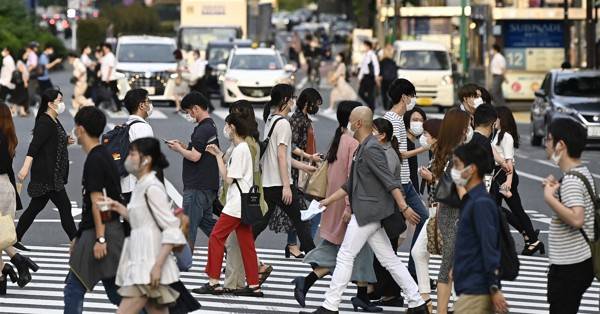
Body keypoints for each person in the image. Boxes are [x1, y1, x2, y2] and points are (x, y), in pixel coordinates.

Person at [301, 106, 427, 314]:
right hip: (371, 213)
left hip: (368, 213)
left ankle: (330, 306)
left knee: (345, 255)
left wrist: (404, 207)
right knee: (389, 260)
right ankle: (417, 302)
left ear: (358, 123)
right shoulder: (365, 146)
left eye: (351, 120)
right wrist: (328, 201)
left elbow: (389, 181)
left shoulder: (371, 149)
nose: (349, 123)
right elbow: (352, 183)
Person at [293, 101, 377, 311]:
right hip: (346, 205)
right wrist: (349, 207)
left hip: (334, 202)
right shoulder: (354, 144)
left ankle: (360, 295)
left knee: (354, 251)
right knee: (350, 251)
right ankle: (311, 282)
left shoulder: (339, 139)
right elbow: (352, 178)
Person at [105, 138, 188, 313]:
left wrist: (158, 266)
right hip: (142, 260)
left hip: (149, 264)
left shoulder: (152, 187)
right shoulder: (142, 185)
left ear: (146, 160)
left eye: (133, 153)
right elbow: (142, 220)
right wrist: (118, 207)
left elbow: (171, 229)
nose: (128, 157)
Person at [63, 106, 125, 312]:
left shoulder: (95, 159)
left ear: (80, 129)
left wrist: (100, 238)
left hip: (101, 232)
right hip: (105, 230)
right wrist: (79, 236)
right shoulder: (102, 155)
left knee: (74, 287)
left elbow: (98, 200)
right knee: (115, 291)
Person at [195, 113, 264, 297]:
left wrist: (218, 157)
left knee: (216, 237)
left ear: (232, 127)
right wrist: (219, 154)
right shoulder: (242, 148)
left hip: (236, 203)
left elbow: (227, 178)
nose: (225, 129)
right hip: (242, 202)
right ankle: (254, 285)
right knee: (247, 244)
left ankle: (214, 282)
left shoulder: (241, 149)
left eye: (226, 125)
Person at [418, 108, 471, 314]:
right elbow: (454, 188)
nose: (468, 130)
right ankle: (439, 309)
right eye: (466, 126)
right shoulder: (457, 155)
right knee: (448, 269)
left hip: (450, 214)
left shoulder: (454, 152)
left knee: (453, 268)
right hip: (454, 216)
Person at [253, 84, 316, 255]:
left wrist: (304, 166)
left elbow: (280, 155)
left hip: (268, 183)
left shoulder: (271, 120)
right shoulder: (283, 124)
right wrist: (287, 186)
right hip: (280, 184)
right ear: (286, 100)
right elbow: (281, 156)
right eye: (293, 98)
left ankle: (238, 251)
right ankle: (317, 264)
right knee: (301, 221)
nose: (295, 101)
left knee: (260, 223)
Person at [543, 118, 595, 314]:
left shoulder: (572, 180)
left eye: (549, 140)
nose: (546, 144)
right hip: (577, 263)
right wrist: (556, 191)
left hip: (571, 265)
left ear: (560, 145)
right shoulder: (580, 173)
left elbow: (576, 218)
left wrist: (549, 198)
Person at [15, 89, 77, 251]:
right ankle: (75, 241)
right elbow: (34, 146)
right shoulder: (45, 121)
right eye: (59, 100)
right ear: (50, 104)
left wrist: (66, 141)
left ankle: (15, 237)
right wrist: (25, 168)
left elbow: (52, 142)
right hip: (48, 175)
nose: (62, 103)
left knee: (35, 207)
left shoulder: (54, 120)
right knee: (65, 207)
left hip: (51, 173)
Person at [219, 101, 271, 292]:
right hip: (244, 198)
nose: (231, 123)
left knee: (224, 240)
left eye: (236, 116)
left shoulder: (246, 145)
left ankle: (226, 282)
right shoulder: (248, 142)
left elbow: (234, 176)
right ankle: (245, 282)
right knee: (240, 242)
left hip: (241, 199)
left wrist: (219, 158)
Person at [452, 142, 509, 314]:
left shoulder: (481, 203)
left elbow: (489, 246)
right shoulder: (473, 200)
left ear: (472, 169)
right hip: (470, 287)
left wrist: (493, 287)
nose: (453, 170)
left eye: (457, 165)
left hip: (477, 291)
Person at [384, 78, 430, 280]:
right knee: (395, 230)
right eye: (411, 96)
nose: (413, 100)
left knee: (422, 217)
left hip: (405, 182)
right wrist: (424, 149)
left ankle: (411, 267)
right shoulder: (393, 120)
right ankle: (395, 274)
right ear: (404, 97)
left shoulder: (396, 119)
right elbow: (398, 154)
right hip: (399, 183)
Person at [167, 91, 218, 253]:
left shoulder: (203, 129)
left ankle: (184, 260)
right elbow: (200, 151)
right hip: (208, 185)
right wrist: (183, 146)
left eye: (188, 111)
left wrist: (178, 150)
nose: (188, 115)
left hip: (197, 186)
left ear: (195, 109)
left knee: (188, 227)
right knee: (210, 226)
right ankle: (234, 252)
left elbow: (195, 156)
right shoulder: (211, 126)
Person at [492, 106, 543, 256]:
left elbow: (509, 161)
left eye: (496, 118)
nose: (494, 121)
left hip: (505, 176)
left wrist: (508, 181)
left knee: (516, 210)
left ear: (502, 119)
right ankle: (530, 237)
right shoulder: (498, 134)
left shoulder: (506, 136)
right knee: (498, 208)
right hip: (499, 175)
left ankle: (532, 239)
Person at [0, 102, 39, 294]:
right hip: (5, 186)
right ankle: (12, 266)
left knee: (0, 234)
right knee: (1, 233)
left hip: (0, 187)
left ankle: (13, 264)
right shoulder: (9, 138)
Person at [286, 88, 323, 258]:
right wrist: (309, 157)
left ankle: (299, 244)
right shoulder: (296, 120)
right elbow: (291, 146)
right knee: (301, 207)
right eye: (316, 104)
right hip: (297, 170)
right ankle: (296, 244)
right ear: (307, 103)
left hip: (306, 167)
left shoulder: (305, 119)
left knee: (310, 206)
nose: (317, 107)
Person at [411, 118, 442, 314]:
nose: (424, 138)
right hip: (434, 210)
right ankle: (425, 300)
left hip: (442, 212)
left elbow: (453, 186)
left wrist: (432, 178)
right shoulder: (437, 154)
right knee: (418, 252)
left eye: (427, 135)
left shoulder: (448, 156)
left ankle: (427, 300)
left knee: (449, 262)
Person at [121, 89, 155, 203]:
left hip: (124, 183)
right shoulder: (143, 128)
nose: (150, 104)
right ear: (141, 105)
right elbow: (146, 159)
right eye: (148, 101)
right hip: (136, 185)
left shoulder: (126, 125)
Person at [403, 107, 427, 193]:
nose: (419, 123)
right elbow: (402, 155)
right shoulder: (404, 142)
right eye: (415, 120)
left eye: (421, 120)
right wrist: (423, 148)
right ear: (407, 121)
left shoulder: (411, 143)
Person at [357, 40, 379, 111]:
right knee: (361, 92)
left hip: (370, 76)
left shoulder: (372, 55)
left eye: (365, 46)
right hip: (365, 76)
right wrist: (360, 77)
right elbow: (363, 67)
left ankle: (371, 107)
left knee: (370, 93)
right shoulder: (365, 55)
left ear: (368, 46)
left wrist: (376, 75)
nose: (363, 47)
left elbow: (376, 65)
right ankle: (371, 105)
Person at [99, 43, 121, 112]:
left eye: (104, 49)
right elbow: (100, 61)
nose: (103, 50)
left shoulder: (111, 56)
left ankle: (117, 107)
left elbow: (110, 67)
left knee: (113, 93)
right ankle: (110, 105)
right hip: (105, 78)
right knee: (107, 93)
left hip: (110, 78)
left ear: (108, 48)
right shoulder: (106, 56)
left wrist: (108, 77)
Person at [10, 50, 30, 117]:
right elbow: (22, 73)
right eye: (26, 54)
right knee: (21, 97)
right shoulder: (20, 62)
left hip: (22, 82)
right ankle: (13, 109)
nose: (27, 55)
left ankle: (22, 111)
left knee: (23, 97)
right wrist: (25, 82)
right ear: (22, 54)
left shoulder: (22, 62)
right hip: (21, 83)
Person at [378, 44, 398, 111]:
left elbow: (380, 72)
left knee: (384, 95)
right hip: (392, 80)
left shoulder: (382, 61)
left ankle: (386, 107)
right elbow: (395, 71)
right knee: (391, 94)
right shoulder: (393, 62)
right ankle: (390, 107)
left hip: (385, 80)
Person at [25, 42, 40, 109]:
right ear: (33, 48)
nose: (37, 48)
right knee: (30, 91)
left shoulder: (33, 55)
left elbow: (34, 65)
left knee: (31, 93)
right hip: (32, 74)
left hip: (32, 75)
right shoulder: (31, 54)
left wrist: (27, 71)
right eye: (36, 47)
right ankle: (28, 105)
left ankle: (41, 102)